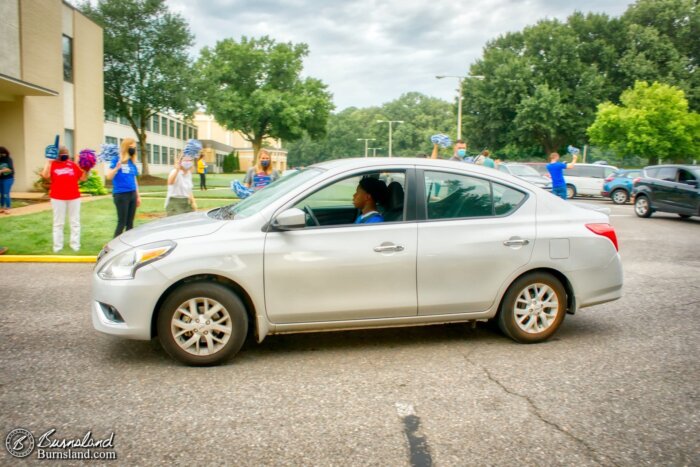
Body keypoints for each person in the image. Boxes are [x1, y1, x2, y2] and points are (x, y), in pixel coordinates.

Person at [41, 145, 88, 252]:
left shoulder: (72, 165)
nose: (65, 156)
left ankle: (75, 245)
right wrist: (48, 162)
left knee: (75, 222)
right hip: (57, 198)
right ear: (57, 155)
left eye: (66, 154)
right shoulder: (52, 164)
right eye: (63, 154)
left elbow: (83, 178)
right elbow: (45, 175)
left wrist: (87, 169)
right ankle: (57, 247)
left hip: (74, 197)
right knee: (58, 223)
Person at [106, 138, 141, 237]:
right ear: (125, 147)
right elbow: (109, 176)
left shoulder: (131, 162)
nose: (133, 149)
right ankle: (114, 245)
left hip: (132, 194)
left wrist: (138, 196)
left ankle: (128, 244)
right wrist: (116, 168)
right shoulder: (116, 160)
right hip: (121, 195)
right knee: (122, 222)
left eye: (134, 147)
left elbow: (134, 179)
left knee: (130, 223)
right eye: (131, 147)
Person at [0, 146, 15, 214]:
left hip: (8, 179)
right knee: (2, 194)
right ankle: (2, 207)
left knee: (6, 193)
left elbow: (10, 169)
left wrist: (1, 171)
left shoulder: (8, 159)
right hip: (1, 179)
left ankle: (8, 208)